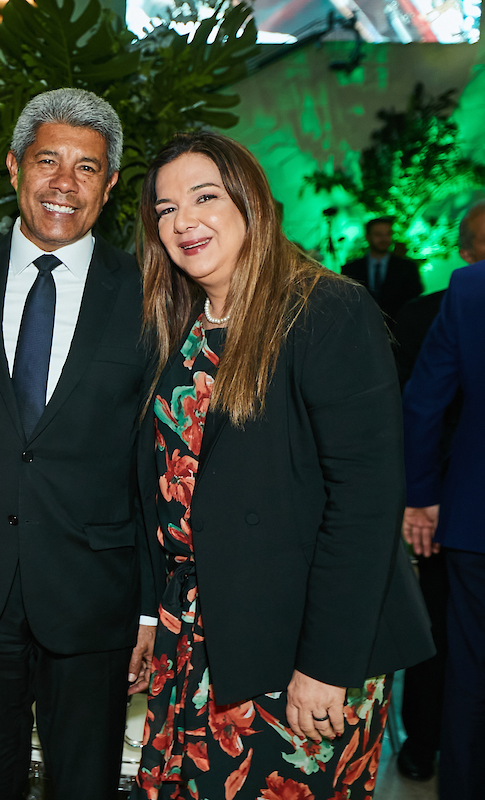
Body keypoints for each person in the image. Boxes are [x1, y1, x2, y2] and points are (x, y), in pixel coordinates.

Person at [134, 131, 433, 799]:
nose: (183, 220)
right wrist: (153, 617)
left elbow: (364, 505)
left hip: (299, 643)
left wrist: (326, 666)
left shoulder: (325, 310)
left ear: (252, 204)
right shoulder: (177, 326)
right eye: (165, 207)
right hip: (195, 636)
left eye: (204, 196)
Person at [0, 88, 155, 799]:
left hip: (95, 595)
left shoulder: (151, 292)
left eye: (86, 168)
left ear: (111, 186)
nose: (64, 182)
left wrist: (150, 605)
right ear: (14, 166)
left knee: (84, 783)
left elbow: (157, 458)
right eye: (47, 160)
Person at [391, 199, 485, 782]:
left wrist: (422, 498)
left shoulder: (468, 291)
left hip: (474, 521)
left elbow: (423, 403)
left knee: (470, 674)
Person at [341, 216, 422, 325]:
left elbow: (414, 302)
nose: (384, 239)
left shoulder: (407, 268)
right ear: (367, 237)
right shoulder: (350, 269)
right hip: (361, 329)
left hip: (399, 329)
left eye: (388, 234)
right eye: (378, 234)